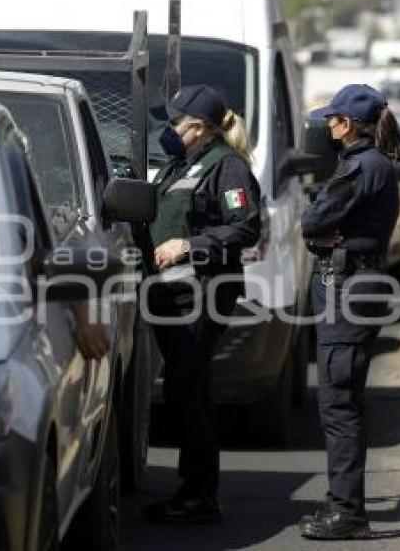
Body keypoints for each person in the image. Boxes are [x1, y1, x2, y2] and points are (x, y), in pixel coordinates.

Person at [142, 85, 261, 524]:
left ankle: (201, 494)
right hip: (172, 297)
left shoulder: (227, 167)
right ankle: (191, 488)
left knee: (189, 391)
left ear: (200, 128)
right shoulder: (179, 165)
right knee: (181, 389)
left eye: (174, 122)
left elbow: (246, 228)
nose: (168, 129)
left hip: (202, 294)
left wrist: (188, 245)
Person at [300, 84, 400, 540]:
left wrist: (327, 231)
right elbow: (319, 228)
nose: (326, 126)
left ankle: (348, 513)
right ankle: (342, 505)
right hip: (355, 285)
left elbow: (313, 221)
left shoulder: (361, 165)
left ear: (346, 124)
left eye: (331, 119)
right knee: (341, 401)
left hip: (348, 289)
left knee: (339, 404)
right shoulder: (372, 164)